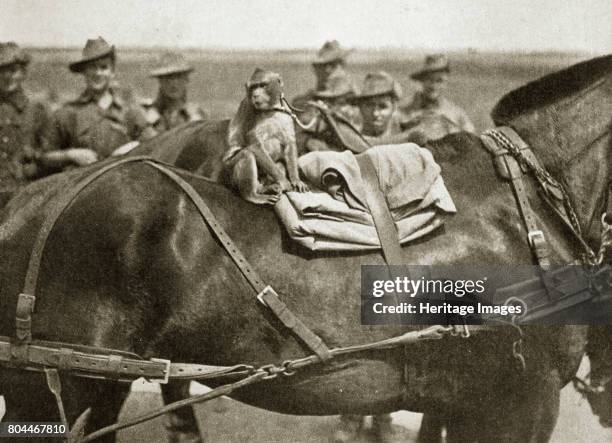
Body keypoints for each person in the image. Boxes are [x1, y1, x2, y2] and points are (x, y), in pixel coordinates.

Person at [41, 37, 155, 172]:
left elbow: (155, 145)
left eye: (103, 67)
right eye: (92, 67)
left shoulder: (130, 111)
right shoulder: (68, 113)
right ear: (84, 71)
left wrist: (133, 147)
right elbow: (44, 157)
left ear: (112, 72)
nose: (98, 73)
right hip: (81, 187)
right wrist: (71, 155)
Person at [0, 42, 49, 206]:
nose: (8, 77)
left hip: (23, 199)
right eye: (2, 71)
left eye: (13, 70)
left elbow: (49, 154)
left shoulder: (36, 110)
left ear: (23, 73)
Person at [399, 54, 475, 141]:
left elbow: (471, 144)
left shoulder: (457, 115)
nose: (433, 86)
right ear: (422, 80)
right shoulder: (405, 112)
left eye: (439, 81)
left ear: (445, 84)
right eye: (429, 79)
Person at [142, 51, 207, 132]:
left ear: (186, 80)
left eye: (179, 77)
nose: (173, 83)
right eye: (168, 77)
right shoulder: (148, 116)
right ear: (160, 81)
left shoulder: (196, 115)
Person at [292, 40, 353, 110]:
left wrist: (314, 95)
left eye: (331, 65)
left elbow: (336, 94)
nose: (326, 69)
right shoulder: (324, 80)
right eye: (319, 66)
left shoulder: (341, 79)